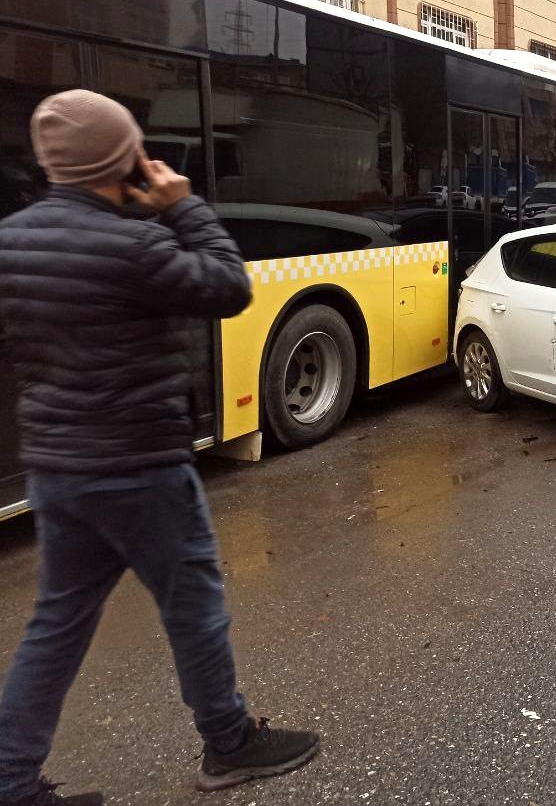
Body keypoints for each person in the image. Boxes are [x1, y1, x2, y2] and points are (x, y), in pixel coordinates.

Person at [0, 91, 320, 806]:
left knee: (55, 624)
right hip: (139, 467)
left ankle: (10, 781)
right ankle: (229, 743)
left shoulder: (11, 241)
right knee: (193, 607)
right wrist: (181, 204)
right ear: (124, 159)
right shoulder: (137, 242)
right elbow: (229, 285)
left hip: (56, 470)